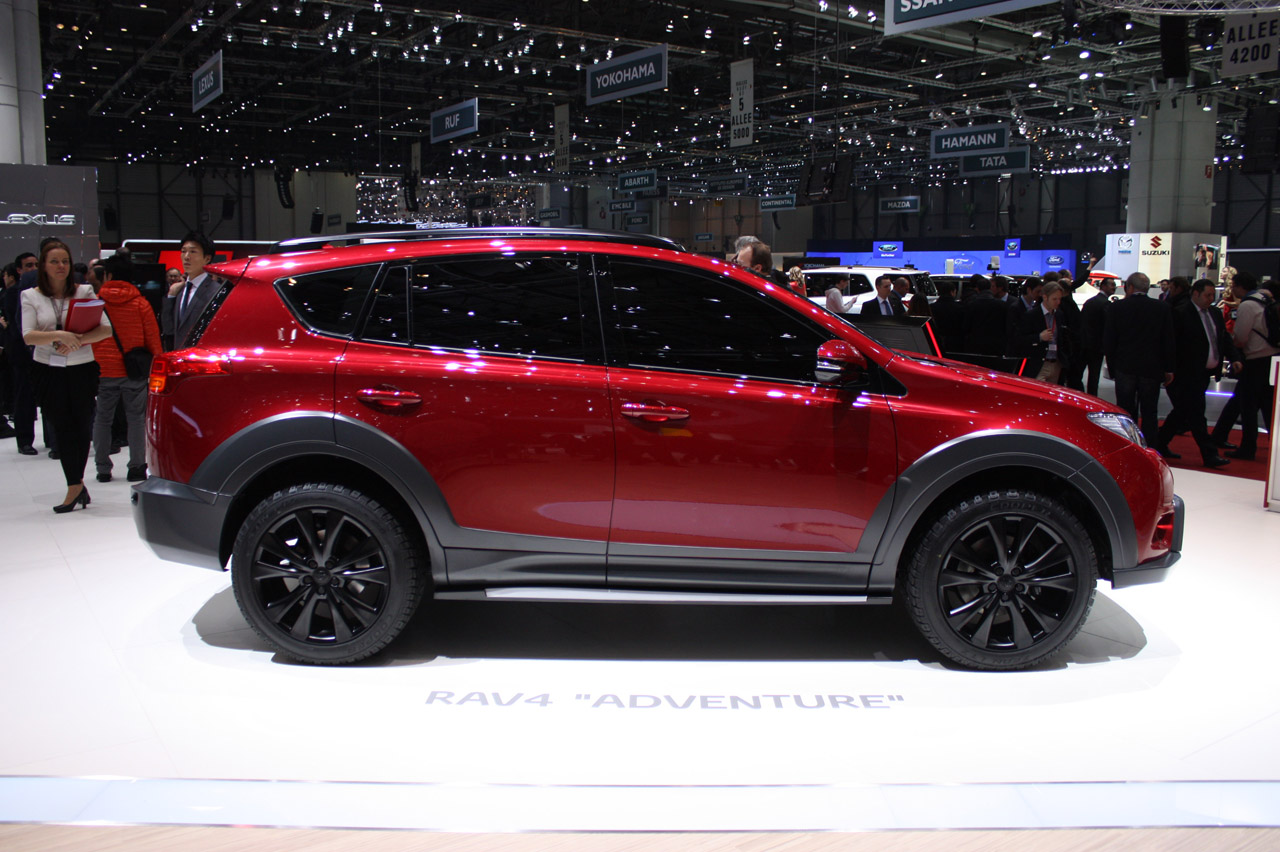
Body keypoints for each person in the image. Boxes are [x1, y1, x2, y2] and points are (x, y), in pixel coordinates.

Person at [20, 239, 113, 512]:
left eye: (65, 261)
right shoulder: (30, 296)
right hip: (47, 369)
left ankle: (75, 485)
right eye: (54, 261)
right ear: (43, 266)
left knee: (82, 425)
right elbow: (28, 335)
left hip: (82, 367)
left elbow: (105, 329)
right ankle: (75, 485)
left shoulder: (84, 291)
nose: (61, 266)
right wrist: (60, 335)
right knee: (61, 426)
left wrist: (77, 340)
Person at [91, 253, 162, 483]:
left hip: (103, 369)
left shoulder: (96, 303)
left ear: (108, 275)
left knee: (103, 419)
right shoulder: (141, 303)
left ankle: (103, 469)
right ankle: (137, 466)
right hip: (134, 371)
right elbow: (153, 339)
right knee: (136, 419)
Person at [1156, 279, 1238, 468]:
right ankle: (1209, 454)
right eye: (1207, 295)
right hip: (1185, 374)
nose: (1211, 298)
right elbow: (1171, 344)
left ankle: (1159, 443)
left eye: (1212, 295)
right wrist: (1169, 369)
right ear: (1195, 294)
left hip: (1204, 373)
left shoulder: (1214, 313)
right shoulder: (1181, 313)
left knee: (1183, 411)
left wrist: (1234, 357)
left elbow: (1223, 339)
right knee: (1196, 413)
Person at [1103, 272, 1175, 451]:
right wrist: (1169, 368)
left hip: (1125, 366)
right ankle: (1150, 448)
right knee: (1150, 411)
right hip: (1151, 367)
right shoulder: (1161, 308)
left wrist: (1111, 366)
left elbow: (1110, 340)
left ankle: (1127, 446)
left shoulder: (1117, 307)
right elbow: (1168, 340)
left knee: (1125, 410)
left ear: (1130, 287)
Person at [1211, 271, 1279, 460]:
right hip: (1271, 357)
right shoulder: (1266, 300)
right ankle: (1219, 435)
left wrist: (1233, 349)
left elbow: (1241, 337)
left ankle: (1248, 447)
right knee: (1263, 404)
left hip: (1255, 359)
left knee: (1248, 406)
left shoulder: (1248, 305)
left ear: (1240, 286)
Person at [163, 232, 222, 351]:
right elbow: (169, 329)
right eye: (183, 251)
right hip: (179, 355)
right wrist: (171, 297)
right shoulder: (179, 290)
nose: (186, 256)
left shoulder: (215, 291)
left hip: (202, 357)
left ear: (207, 258)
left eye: (193, 251)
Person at [1017, 280, 1068, 384]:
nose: (1058, 302)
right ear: (1045, 297)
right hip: (1039, 363)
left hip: (1056, 363)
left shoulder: (1059, 315)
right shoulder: (1032, 315)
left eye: (1059, 299)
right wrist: (1039, 337)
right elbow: (1020, 339)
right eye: (1054, 299)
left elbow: (1063, 338)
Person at [1079, 274, 1116, 396]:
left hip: (1084, 343)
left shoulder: (1090, 302)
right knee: (1093, 377)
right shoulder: (1105, 304)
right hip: (1096, 346)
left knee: (1078, 374)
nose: (1114, 287)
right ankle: (1091, 399)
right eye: (1111, 285)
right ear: (1103, 286)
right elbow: (1108, 326)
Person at [929, 278, 964, 354]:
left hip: (936, 341)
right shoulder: (959, 308)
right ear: (952, 292)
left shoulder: (932, 307)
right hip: (955, 342)